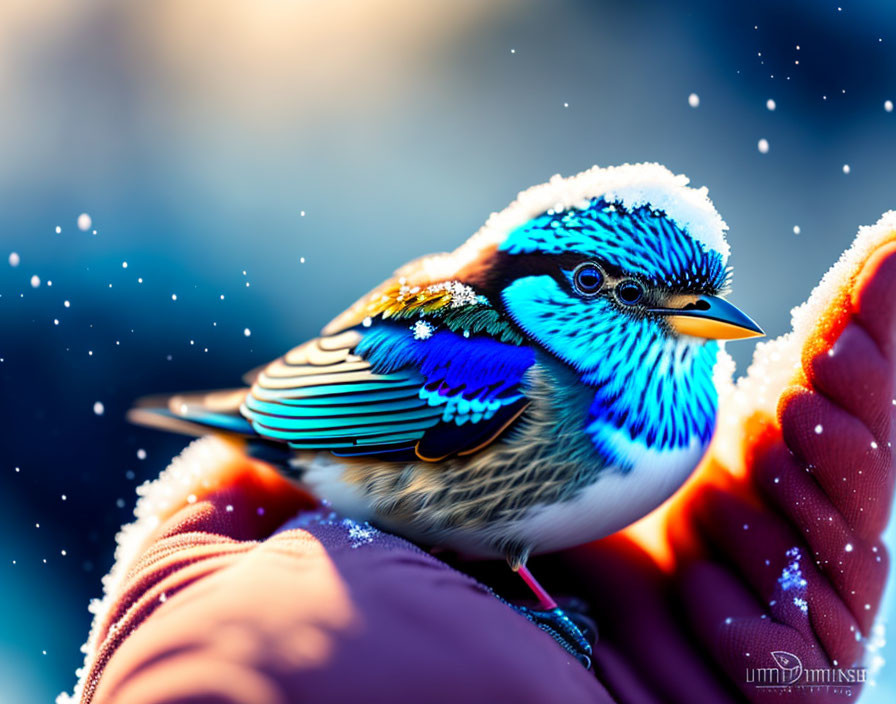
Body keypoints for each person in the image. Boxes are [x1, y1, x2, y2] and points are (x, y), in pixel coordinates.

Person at [65, 225, 896, 704]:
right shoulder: (504, 369)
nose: (683, 320)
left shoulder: (659, 395)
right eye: (624, 292)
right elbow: (342, 409)